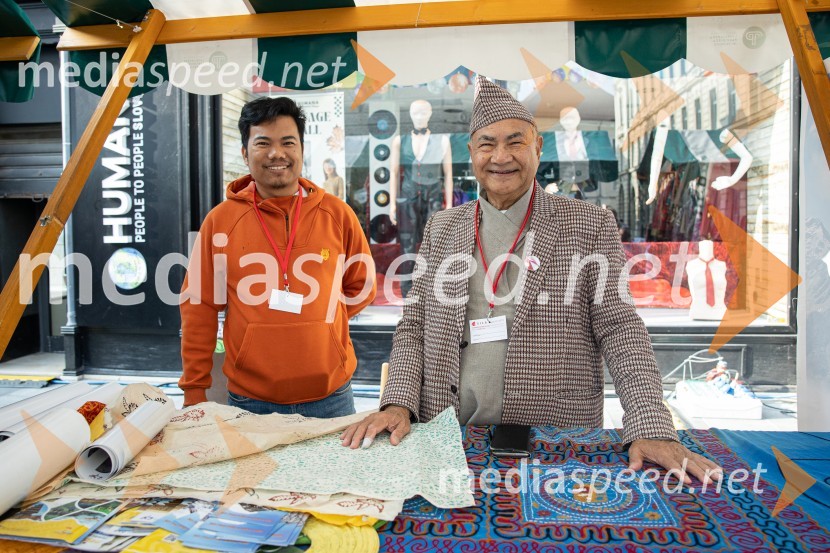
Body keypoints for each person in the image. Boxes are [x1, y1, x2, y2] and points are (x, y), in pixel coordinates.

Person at [342, 77, 722, 484]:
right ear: (471, 153)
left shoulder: (588, 224)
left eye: (515, 142)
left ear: (538, 147)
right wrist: (398, 404)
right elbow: (414, 325)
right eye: (487, 144)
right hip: (447, 435)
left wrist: (650, 425)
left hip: (555, 441)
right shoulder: (442, 226)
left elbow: (620, 328)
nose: (500, 156)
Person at [179, 96, 376, 417]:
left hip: (333, 397)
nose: (277, 153)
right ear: (245, 153)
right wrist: (194, 389)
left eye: (288, 142)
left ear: (301, 149)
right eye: (263, 143)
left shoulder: (337, 214)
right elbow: (198, 307)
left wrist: (322, 323)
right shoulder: (221, 221)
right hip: (252, 401)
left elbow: (362, 286)